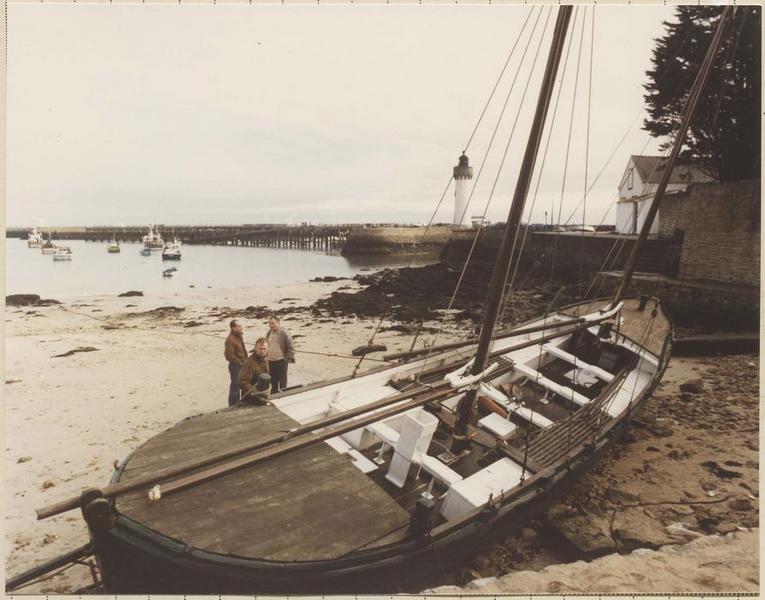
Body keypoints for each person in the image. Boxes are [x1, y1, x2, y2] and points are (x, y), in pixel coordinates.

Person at [265, 316, 295, 393]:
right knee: (272, 385)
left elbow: (291, 349)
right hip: (270, 362)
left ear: (278, 323)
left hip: (281, 362)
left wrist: (285, 360)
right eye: (270, 323)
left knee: (283, 385)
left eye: (273, 323)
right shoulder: (269, 333)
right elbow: (266, 346)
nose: (271, 325)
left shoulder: (284, 333)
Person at [238, 338, 271, 405]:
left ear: (268, 349)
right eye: (260, 348)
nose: (262, 351)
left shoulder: (266, 359)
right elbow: (243, 382)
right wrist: (255, 392)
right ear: (255, 349)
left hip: (262, 396)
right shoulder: (250, 363)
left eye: (264, 349)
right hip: (250, 399)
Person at [224, 319, 247, 407]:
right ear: (233, 328)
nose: (241, 327)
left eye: (240, 326)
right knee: (235, 386)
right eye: (238, 326)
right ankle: (233, 405)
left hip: (242, 364)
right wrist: (240, 363)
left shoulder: (239, 336)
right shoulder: (230, 339)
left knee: (240, 385)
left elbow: (243, 351)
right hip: (235, 366)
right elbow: (229, 356)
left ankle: (238, 403)